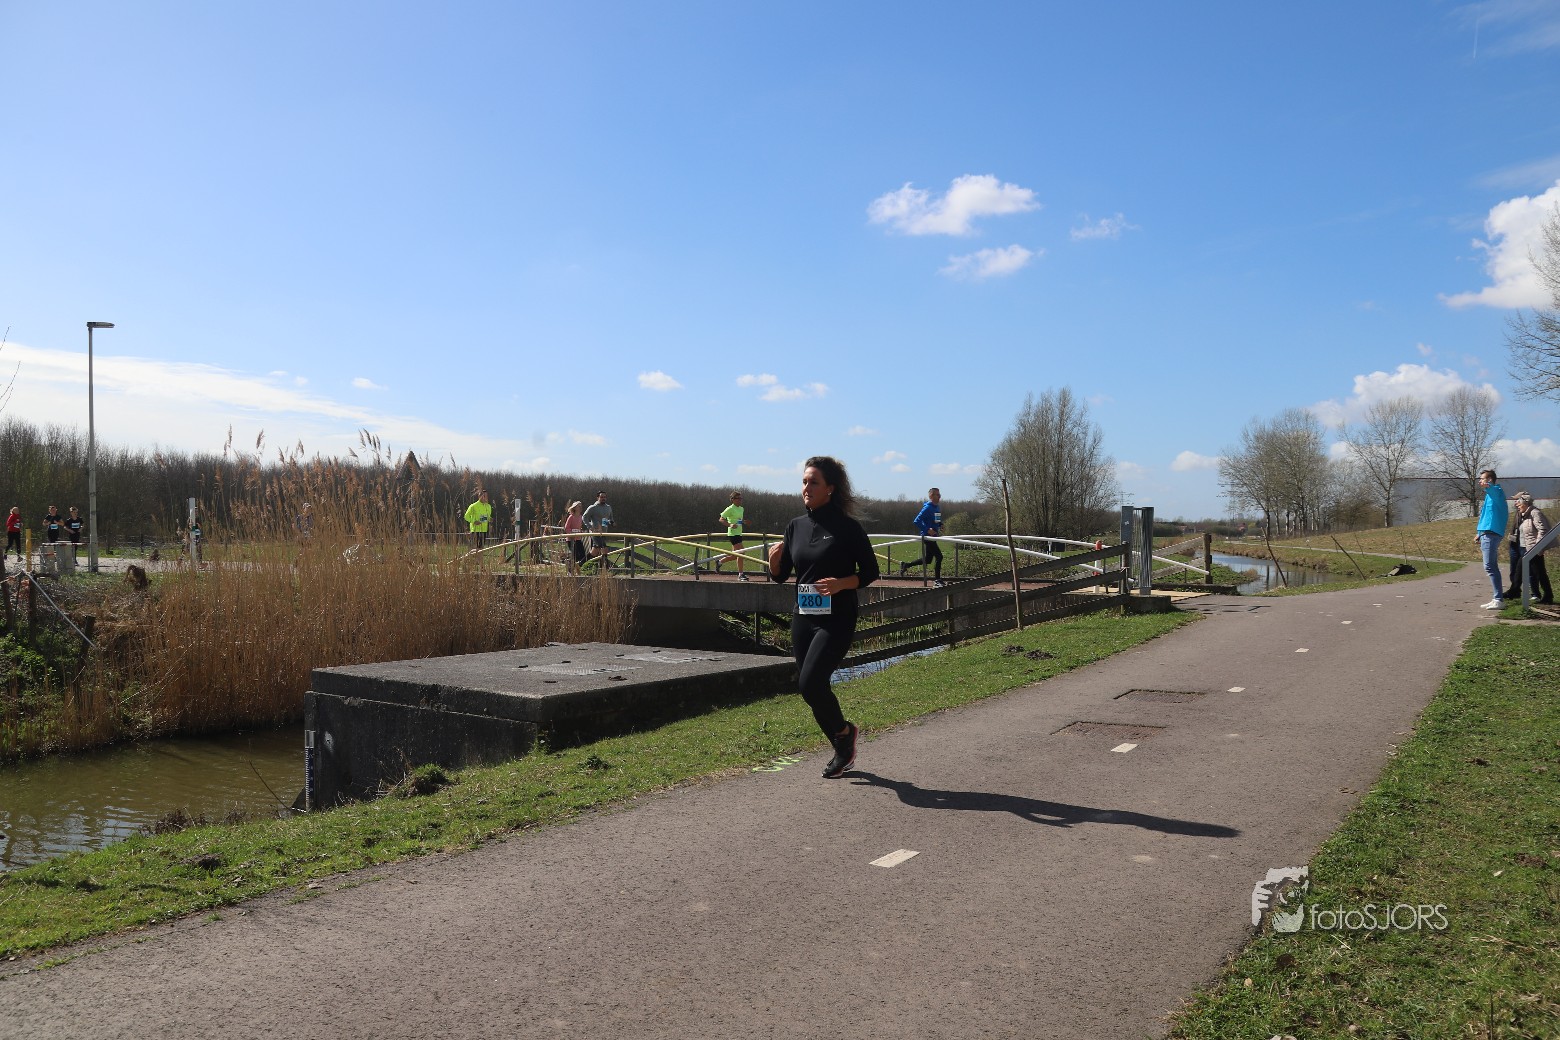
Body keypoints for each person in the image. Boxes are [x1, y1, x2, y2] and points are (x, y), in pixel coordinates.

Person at [768, 456, 880, 779]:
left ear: (830, 488)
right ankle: (843, 744)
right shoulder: (795, 526)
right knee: (809, 689)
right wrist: (773, 561)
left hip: (837, 618)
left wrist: (841, 583)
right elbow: (780, 576)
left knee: (811, 682)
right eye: (804, 481)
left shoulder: (847, 527)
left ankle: (844, 736)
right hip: (804, 616)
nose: (806, 487)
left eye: (813, 482)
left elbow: (870, 571)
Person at [1474, 469, 1508, 610]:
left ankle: (1498, 599)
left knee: (1490, 566)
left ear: (1489, 480)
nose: (1480, 481)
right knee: (1491, 565)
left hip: (1491, 533)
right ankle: (1497, 598)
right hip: (1486, 532)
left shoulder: (1497, 492)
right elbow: (1485, 516)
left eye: (1482, 479)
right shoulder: (1489, 496)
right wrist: (1479, 533)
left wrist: (1487, 486)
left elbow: (1493, 490)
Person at [1512, 491, 1554, 604]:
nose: (1516, 505)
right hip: (1528, 549)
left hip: (1533, 549)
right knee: (1529, 571)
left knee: (1538, 573)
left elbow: (1543, 530)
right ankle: (1514, 590)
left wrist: (1538, 547)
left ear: (1525, 503)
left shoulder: (1535, 513)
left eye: (1519, 503)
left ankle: (1547, 595)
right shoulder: (1525, 514)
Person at [899, 487, 945, 585]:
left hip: (933, 537)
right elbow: (917, 521)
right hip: (927, 537)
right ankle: (937, 580)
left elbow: (936, 520)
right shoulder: (927, 508)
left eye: (939, 494)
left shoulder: (937, 507)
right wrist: (927, 529)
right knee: (939, 557)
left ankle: (906, 565)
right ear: (931, 496)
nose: (939, 496)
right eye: (937, 495)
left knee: (928, 560)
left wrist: (940, 524)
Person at [717, 491, 749, 580]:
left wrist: (743, 522)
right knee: (741, 553)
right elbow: (721, 519)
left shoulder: (741, 509)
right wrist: (730, 525)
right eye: (738, 498)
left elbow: (738, 520)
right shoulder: (730, 509)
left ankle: (719, 562)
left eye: (741, 498)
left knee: (735, 555)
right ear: (733, 500)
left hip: (739, 533)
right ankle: (740, 575)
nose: (740, 500)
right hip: (733, 534)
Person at [582, 490, 613, 567]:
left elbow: (608, 519)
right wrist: (590, 527)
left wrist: (612, 523)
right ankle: (605, 569)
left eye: (605, 497)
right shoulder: (593, 507)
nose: (603, 498)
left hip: (604, 532)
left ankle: (579, 564)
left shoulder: (608, 507)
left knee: (594, 552)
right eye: (601, 497)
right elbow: (584, 517)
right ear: (597, 498)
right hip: (595, 532)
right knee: (604, 548)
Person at [562, 501, 586, 574]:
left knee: (582, 555)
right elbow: (566, 527)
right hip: (571, 539)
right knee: (574, 555)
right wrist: (571, 534)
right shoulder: (571, 517)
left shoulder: (581, 517)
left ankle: (578, 567)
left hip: (578, 539)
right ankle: (570, 571)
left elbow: (579, 527)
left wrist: (581, 531)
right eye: (579, 506)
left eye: (581, 506)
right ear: (575, 508)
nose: (580, 507)